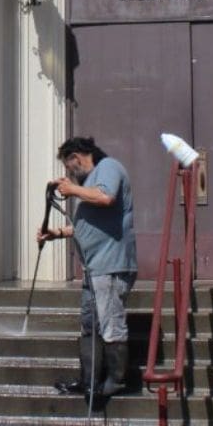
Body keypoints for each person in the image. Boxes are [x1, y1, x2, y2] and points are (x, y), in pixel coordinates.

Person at [36, 136, 137, 398]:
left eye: (69, 166)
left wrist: (73, 190)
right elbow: (86, 226)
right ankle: (89, 381)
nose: (69, 173)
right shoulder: (90, 182)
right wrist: (56, 233)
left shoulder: (108, 167)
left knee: (110, 322)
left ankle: (116, 382)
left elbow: (106, 197)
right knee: (90, 324)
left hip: (111, 265)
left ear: (77, 156)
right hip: (94, 269)